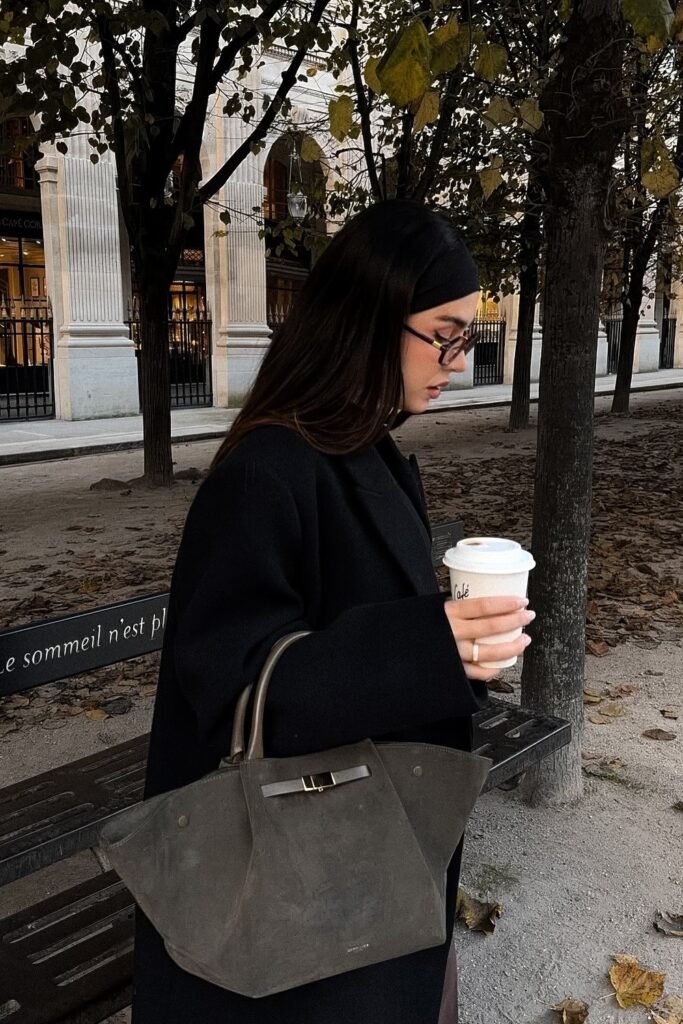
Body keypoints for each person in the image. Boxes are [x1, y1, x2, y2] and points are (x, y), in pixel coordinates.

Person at [131, 199, 534, 1024]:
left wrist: (456, 652)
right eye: (446, 333)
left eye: (468, 337)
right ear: (369, 320)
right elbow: (231, 687)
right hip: (292, 875)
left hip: (360, 845)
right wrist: (430, 648)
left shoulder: (362, 447)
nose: (459, 359)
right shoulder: (267, 470)